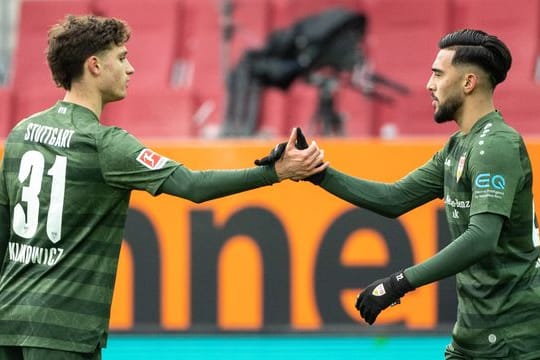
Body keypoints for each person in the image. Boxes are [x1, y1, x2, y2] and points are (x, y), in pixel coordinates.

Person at [0, 15, 328, 359]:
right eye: (122, 58)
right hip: (64, 329)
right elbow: (193, 185)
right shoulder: (106, 144)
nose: (131, 70)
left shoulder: (22, 131)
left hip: (8, 318)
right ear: (94, 66)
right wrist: (275, 171)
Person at [307, 29, 540, 359]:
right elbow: (394, 198)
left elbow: (482, 237)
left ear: (468, 83)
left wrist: (399, 283)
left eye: (438, 74)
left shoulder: (497, 145)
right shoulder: (458, 145)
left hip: (514, 338)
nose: (429, 85)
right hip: (474, 336)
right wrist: (316, 173)